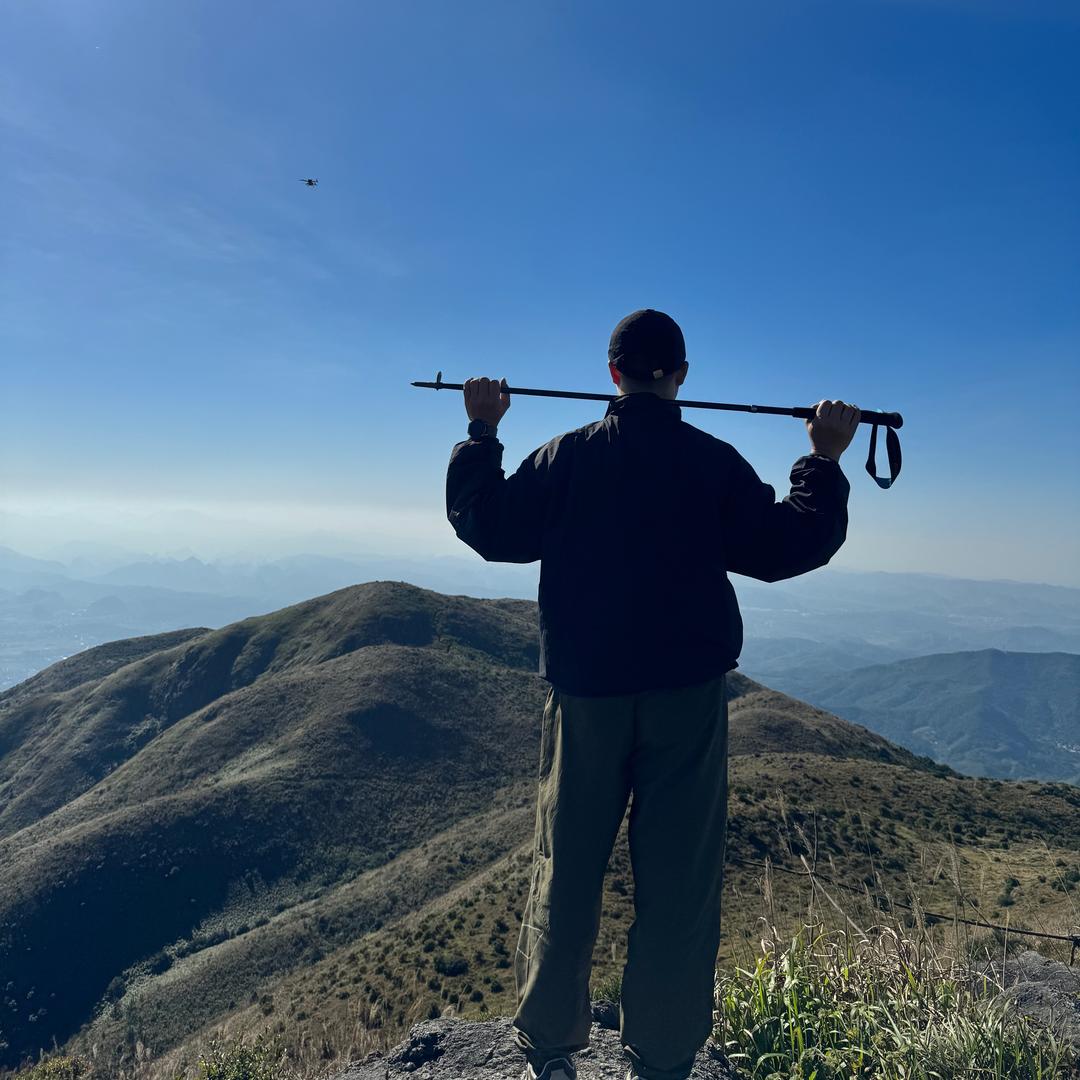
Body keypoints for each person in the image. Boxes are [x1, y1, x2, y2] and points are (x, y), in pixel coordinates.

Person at [445, 309, 859, 1080]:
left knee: (566, 865)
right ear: (681, 376)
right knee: (677, 879)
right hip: (686, 701)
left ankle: (550, 1043)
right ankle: (663, 1055)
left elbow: (488, 525)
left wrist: (481, 432)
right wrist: (823, 458)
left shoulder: (564, 459)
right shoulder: (712, 463)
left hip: (585, 698)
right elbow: (787, 545)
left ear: (612, 374)